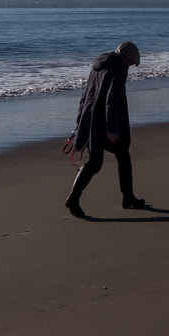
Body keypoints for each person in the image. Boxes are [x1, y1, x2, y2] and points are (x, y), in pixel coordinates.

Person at [64, 40, 145, 216]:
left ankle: (128, 197)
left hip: (90, 117)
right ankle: (73, 199)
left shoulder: (99, 65)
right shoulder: (119, 68)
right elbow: (112, 99)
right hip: (103, 122)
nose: (130, 67)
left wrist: (79, 121)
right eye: (131, 64)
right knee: (104, 159)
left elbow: (86, 95)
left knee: (116, 156)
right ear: (127, 58)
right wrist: (112, 129)